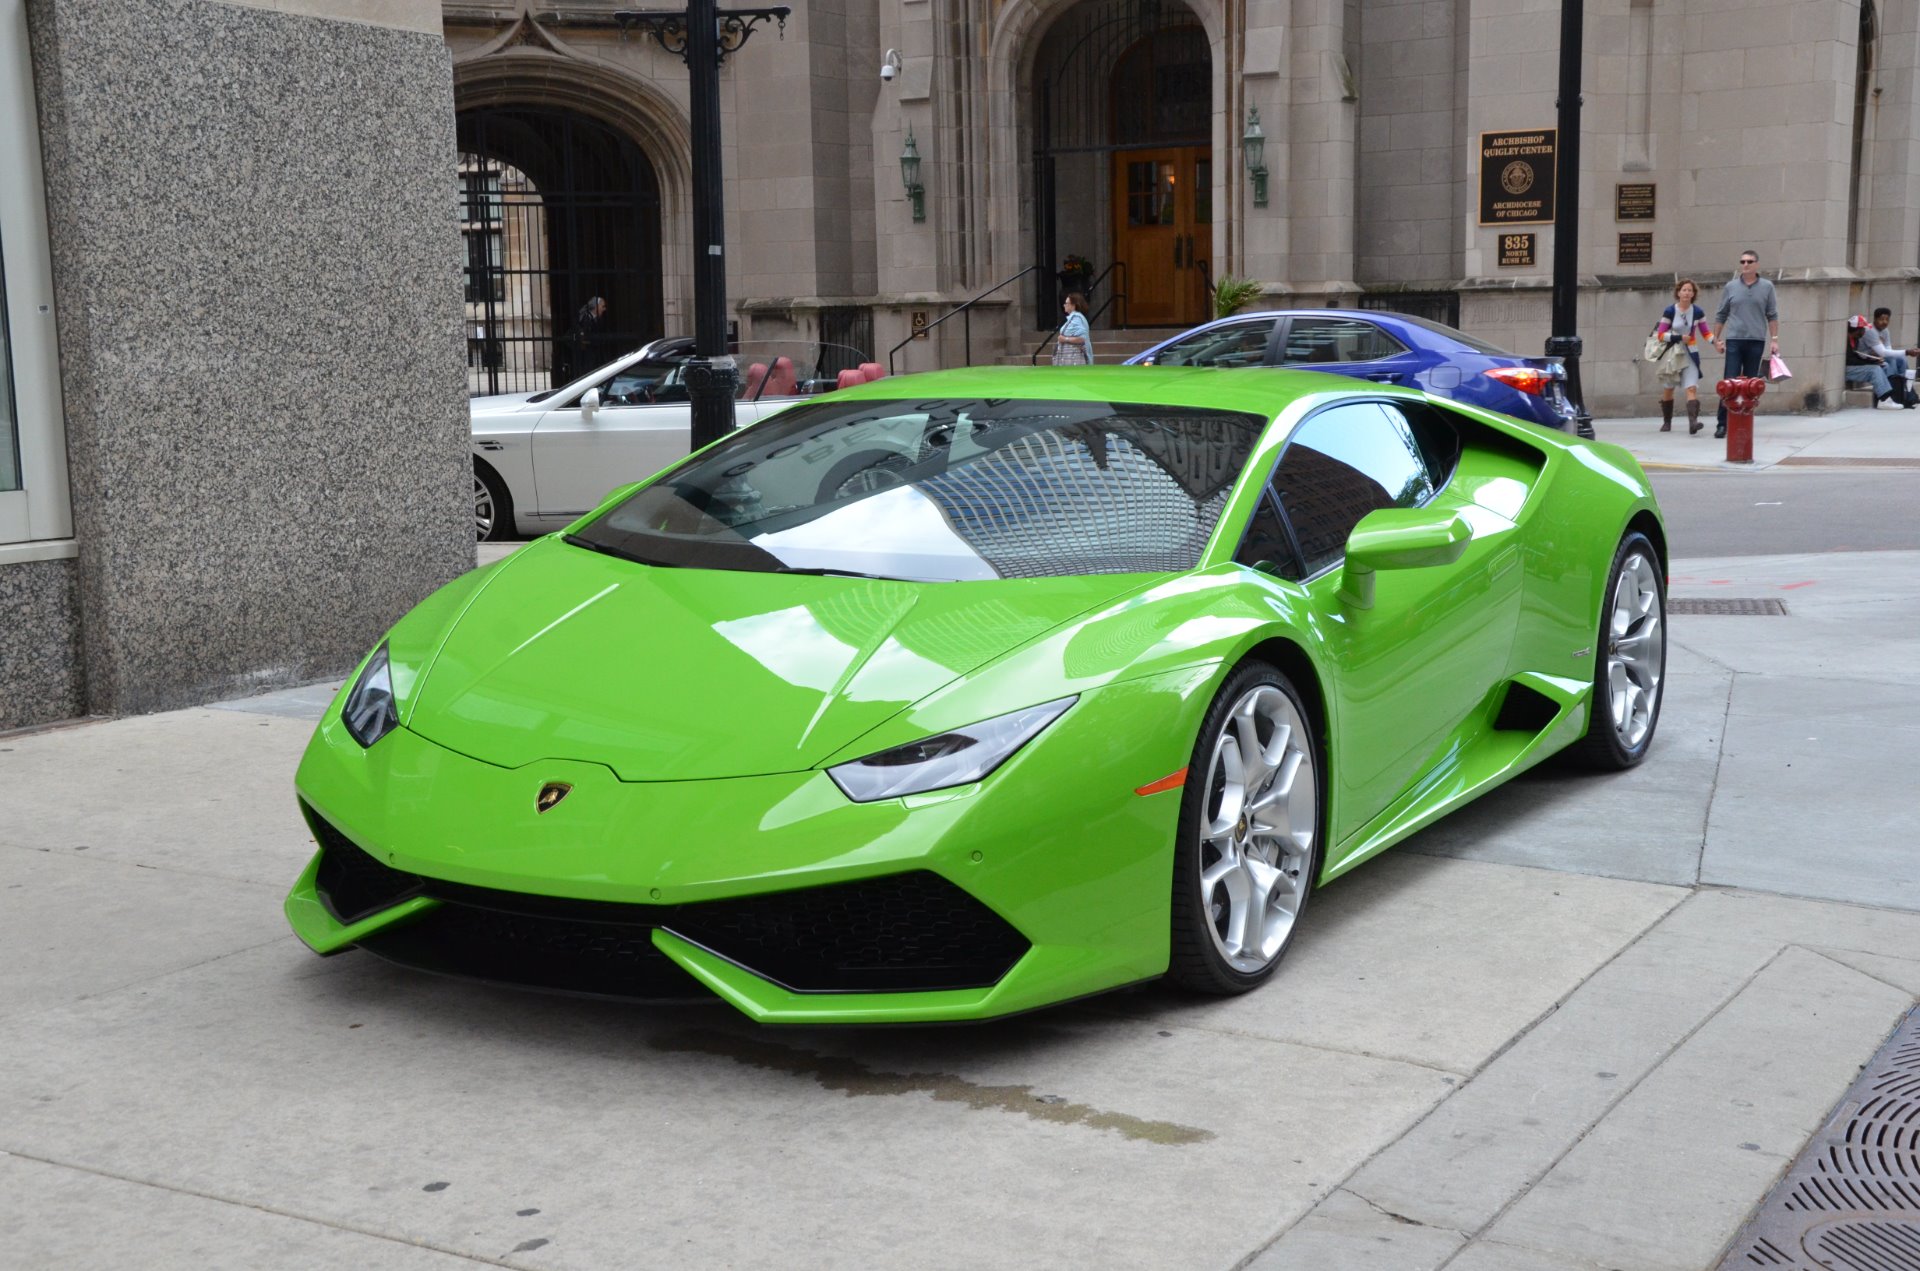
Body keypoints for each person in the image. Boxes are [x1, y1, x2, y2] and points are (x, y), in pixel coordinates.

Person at [1712, 250, 1779, 439]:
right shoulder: (1731, 287)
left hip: (1756, 340)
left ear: (1757, 264)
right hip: (1734, 340)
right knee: (1730, 382)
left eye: (1750, 261)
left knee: (1750, 385)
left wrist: (1774, 340)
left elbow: (1772, 315)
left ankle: (1745, 421)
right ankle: (1722, 424)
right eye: (1742, 261)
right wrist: (1716, 339)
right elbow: (1721, 314)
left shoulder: (1767, 287)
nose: (1746, 265)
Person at [1653, 278, 1714, 435]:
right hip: (1672, 354)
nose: (1687, 293)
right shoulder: (1670, 311)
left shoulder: (1698, 312)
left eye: (1690, 290)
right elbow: (1660, 335)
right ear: (1678, 293)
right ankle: (1667, 421)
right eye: (1684, 290)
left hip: (1690, 352)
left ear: (1693, 294)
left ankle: (1693, 423)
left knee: (1691, 387)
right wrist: (1679, 338)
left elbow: (1706, 332)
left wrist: (1716, 342)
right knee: (1669, 388)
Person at [1845, 315, 1915, 408]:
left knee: (1882, 365)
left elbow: (1856, 357)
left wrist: (1873, 361)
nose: (1865, 331)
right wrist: (1870, 363)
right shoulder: (1845, 340)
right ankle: (1884, 400)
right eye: (1863, 329)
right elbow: (1850, 360)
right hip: (1847, 370)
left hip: (1853, 367)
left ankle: (1895, 394)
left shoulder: (1855, 339)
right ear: (1857, 330)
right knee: (1874, 370)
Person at [1861, 307, 1920, 393]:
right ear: (1875, 319)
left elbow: (1888, 350)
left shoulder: (1885, 331)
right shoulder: (1870, 330)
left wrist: (1907, 353)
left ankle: (1904, 387)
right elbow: (1883, 352)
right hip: (1866, 359)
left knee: (1901, 359)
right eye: (1881, 319)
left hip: (1878, 357)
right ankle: (1893, 388)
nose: (1884, 322)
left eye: (1887, 319)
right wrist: (1907, 352)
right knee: (1890, 361)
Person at [568, 295, 608, 377]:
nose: (604, 309)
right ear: (596, 307)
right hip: (586, 355)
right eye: (603, 306)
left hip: (594, 354)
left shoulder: (598, 319)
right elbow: (584, 336)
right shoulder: (585, 318)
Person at [1052, 293, 1092, 366]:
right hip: (1070, 359)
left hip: (1075, 359)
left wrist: (1065, 339)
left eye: (1066, 303)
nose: (1064, 305)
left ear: (1073, 305)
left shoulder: (1076, 318)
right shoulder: (1074, 318)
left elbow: (1082, 338)